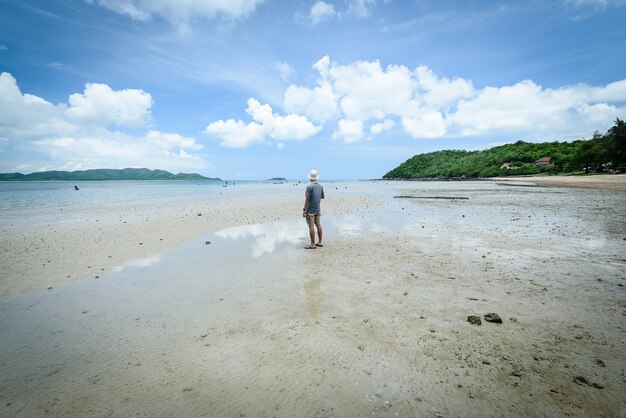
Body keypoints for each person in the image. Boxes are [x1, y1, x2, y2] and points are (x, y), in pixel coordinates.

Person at [303, 169, 324, 249]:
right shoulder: (320, 186)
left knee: (311, 226)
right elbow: (322, 197)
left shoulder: (309, 187)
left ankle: (312, 244)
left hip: (310, 210)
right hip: (317, 209)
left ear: (310, 177)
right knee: (318, 225)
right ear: (316, 177)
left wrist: (304, 209)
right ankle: (320, 242)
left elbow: (307, 199)